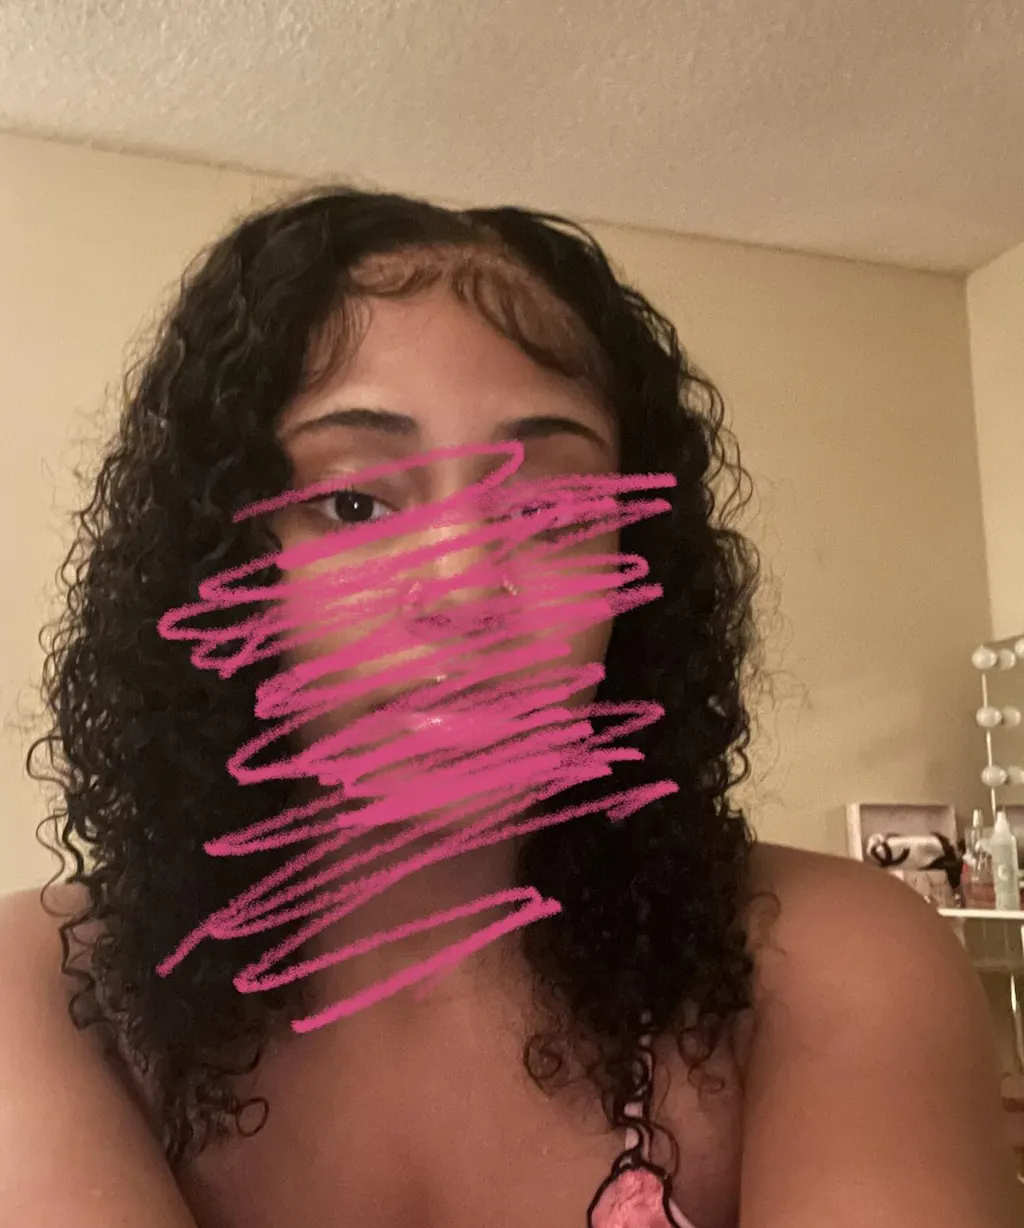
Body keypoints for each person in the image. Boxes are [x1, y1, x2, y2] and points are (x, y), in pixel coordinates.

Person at [0, 186, 1016, 1228]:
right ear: (214, 564)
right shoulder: (45, 991)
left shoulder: (830, 962)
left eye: (551, 510)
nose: (464, 588)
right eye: (353, 503)